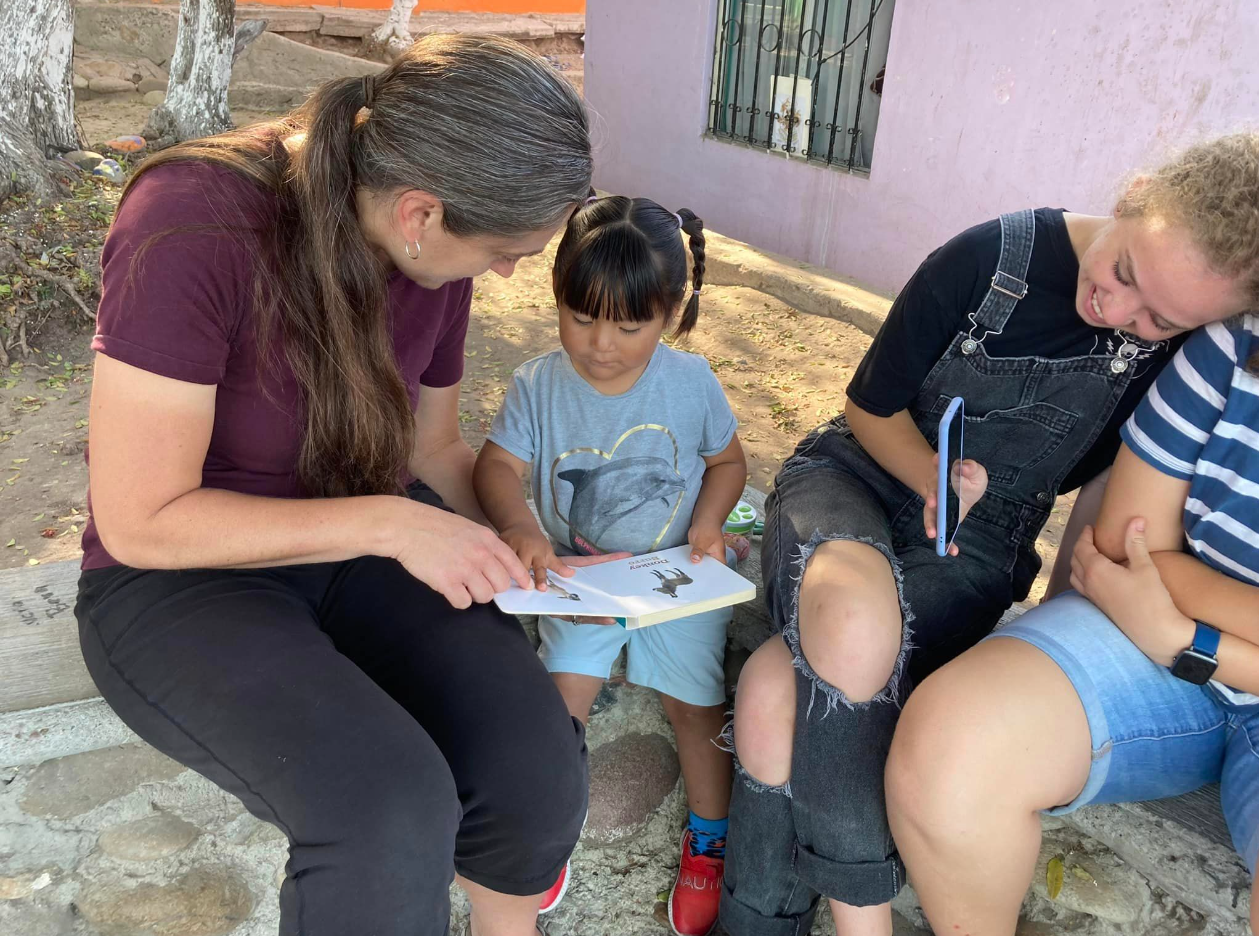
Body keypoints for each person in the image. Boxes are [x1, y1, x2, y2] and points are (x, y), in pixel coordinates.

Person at [76, 35, 600, 936]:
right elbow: (141, 520)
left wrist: (516, 536)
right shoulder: (191, 219)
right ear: (419, 211)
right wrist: (394, 526)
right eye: (507, 249)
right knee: (384, 812)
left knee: (536, 766)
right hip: (181, 579)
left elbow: (433, 449)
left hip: (361, 547)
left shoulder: (432, 249)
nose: (509, 270)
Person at [722, 133, 1259, 936]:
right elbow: (869, 405)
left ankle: (755, 919)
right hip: (859, 473)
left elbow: (1113, 486)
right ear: (1131, 193)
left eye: (1157, 319)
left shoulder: (1181, 348)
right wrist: (930, 483)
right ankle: (860, 924)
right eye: (1122, 276)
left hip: (982, 537)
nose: (1118, 313)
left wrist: (1057, 609)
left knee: (773, 689)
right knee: (850, 625)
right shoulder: (989, 257)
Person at [886, 278, 1259, 931]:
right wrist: (1169, 628)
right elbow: (1128, 540)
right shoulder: (1237, 339)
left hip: (1168, 629)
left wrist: (1186, 639)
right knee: (951, 745)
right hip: (1152, 639)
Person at [473, 195, 747, 936]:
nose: (600, 344)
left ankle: (709, 842)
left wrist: (708, 524)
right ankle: (545, 830)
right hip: (576, 583)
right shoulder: (537, 383)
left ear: (671, 315)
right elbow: (497, 466)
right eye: (580, 316)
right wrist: (521, 527)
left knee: (697, 711)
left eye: (629, 326)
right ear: (555, 295)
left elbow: (727, 462)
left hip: (675, 581)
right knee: (558, 705)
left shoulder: (690, 384)